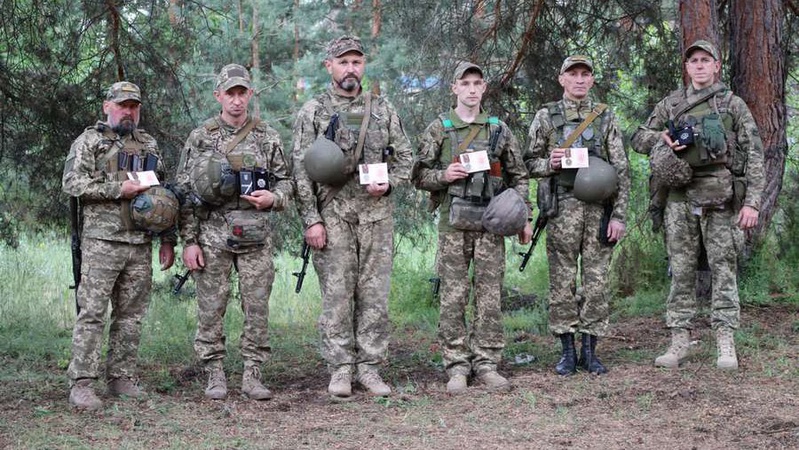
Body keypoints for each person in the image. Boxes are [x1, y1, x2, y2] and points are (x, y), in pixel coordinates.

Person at [631, 40, 765, 370]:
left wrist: (752, 204)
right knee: (681, 271)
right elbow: (637, 138)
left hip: (720, 200)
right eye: (694, 61)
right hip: (679, 200)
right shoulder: (672, 103)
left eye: (706, 60)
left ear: (717, 65)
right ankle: (679, 341)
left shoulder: (732, 105)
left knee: (723, 270)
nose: (700, 66)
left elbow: (755, 156)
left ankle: (725, 341)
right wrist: (660, 137)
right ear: (687, 67)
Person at [291, 35, 412, 399]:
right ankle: (340, 368)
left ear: (364, 65)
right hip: (334, 219)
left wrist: (388, 185)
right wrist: (311, 220)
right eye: (343, 62)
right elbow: (299, 171)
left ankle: (371, 368)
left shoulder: (383, 109)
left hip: (377, 218)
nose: (350, 69)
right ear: (329, 66)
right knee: (337, 296)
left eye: (356, 62)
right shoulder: (313, 111)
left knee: (375, 297)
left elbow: (406, 158)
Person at [412, 62, 532, 394]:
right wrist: (444, 176)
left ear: (484, 88)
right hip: (454, 226)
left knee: (489, 296)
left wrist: (525, 218)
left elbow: (519, 176)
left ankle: (487, 364)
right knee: (453, 297)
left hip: (493, 224)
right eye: (465, 83)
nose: (472, 89)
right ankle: (456, 366)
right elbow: (418, 174)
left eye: (477, 83)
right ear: (454, 88)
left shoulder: (499, 129)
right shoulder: (440, 128)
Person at [176, 64, 293, 400]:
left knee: (257, 306)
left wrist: (275, 197)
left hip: (256, 235)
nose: (237, 100)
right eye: (231, 93)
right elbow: (184, 191)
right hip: (213, 235)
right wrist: (189, 241)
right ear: (219, 96)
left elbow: (288, 180)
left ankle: (253, 374)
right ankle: (214, 373)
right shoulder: (201, 136)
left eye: (242, 93)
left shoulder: (267, 135)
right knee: (211, 307)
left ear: (250, 95)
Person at [62, 81, 176, 409]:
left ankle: (121, 378)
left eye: (134, 106)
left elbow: (165, 195)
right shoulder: (89, 141)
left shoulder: (148, 144)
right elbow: (72, 183)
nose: (128, 111)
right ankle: (82, 383)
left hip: (140, 244)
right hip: (102, 243)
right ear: (107, 106)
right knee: (93, 313)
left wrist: (167, 240)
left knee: (131, 316)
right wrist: (118, 189)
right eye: (123, 105)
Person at [524, 55, 630, 375]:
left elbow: (621, 169)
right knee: (562, 282)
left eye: (586, 74)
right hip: (562, 209)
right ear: (562, 79)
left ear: (592, 80)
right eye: (574, 74)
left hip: (599, 209)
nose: (580, 79)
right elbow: (528, 163)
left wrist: (619, 216)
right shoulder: (546, 116)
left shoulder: (606, 117)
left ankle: (591, 351)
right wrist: (550, 164)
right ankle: (567, 352)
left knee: (596, 281)